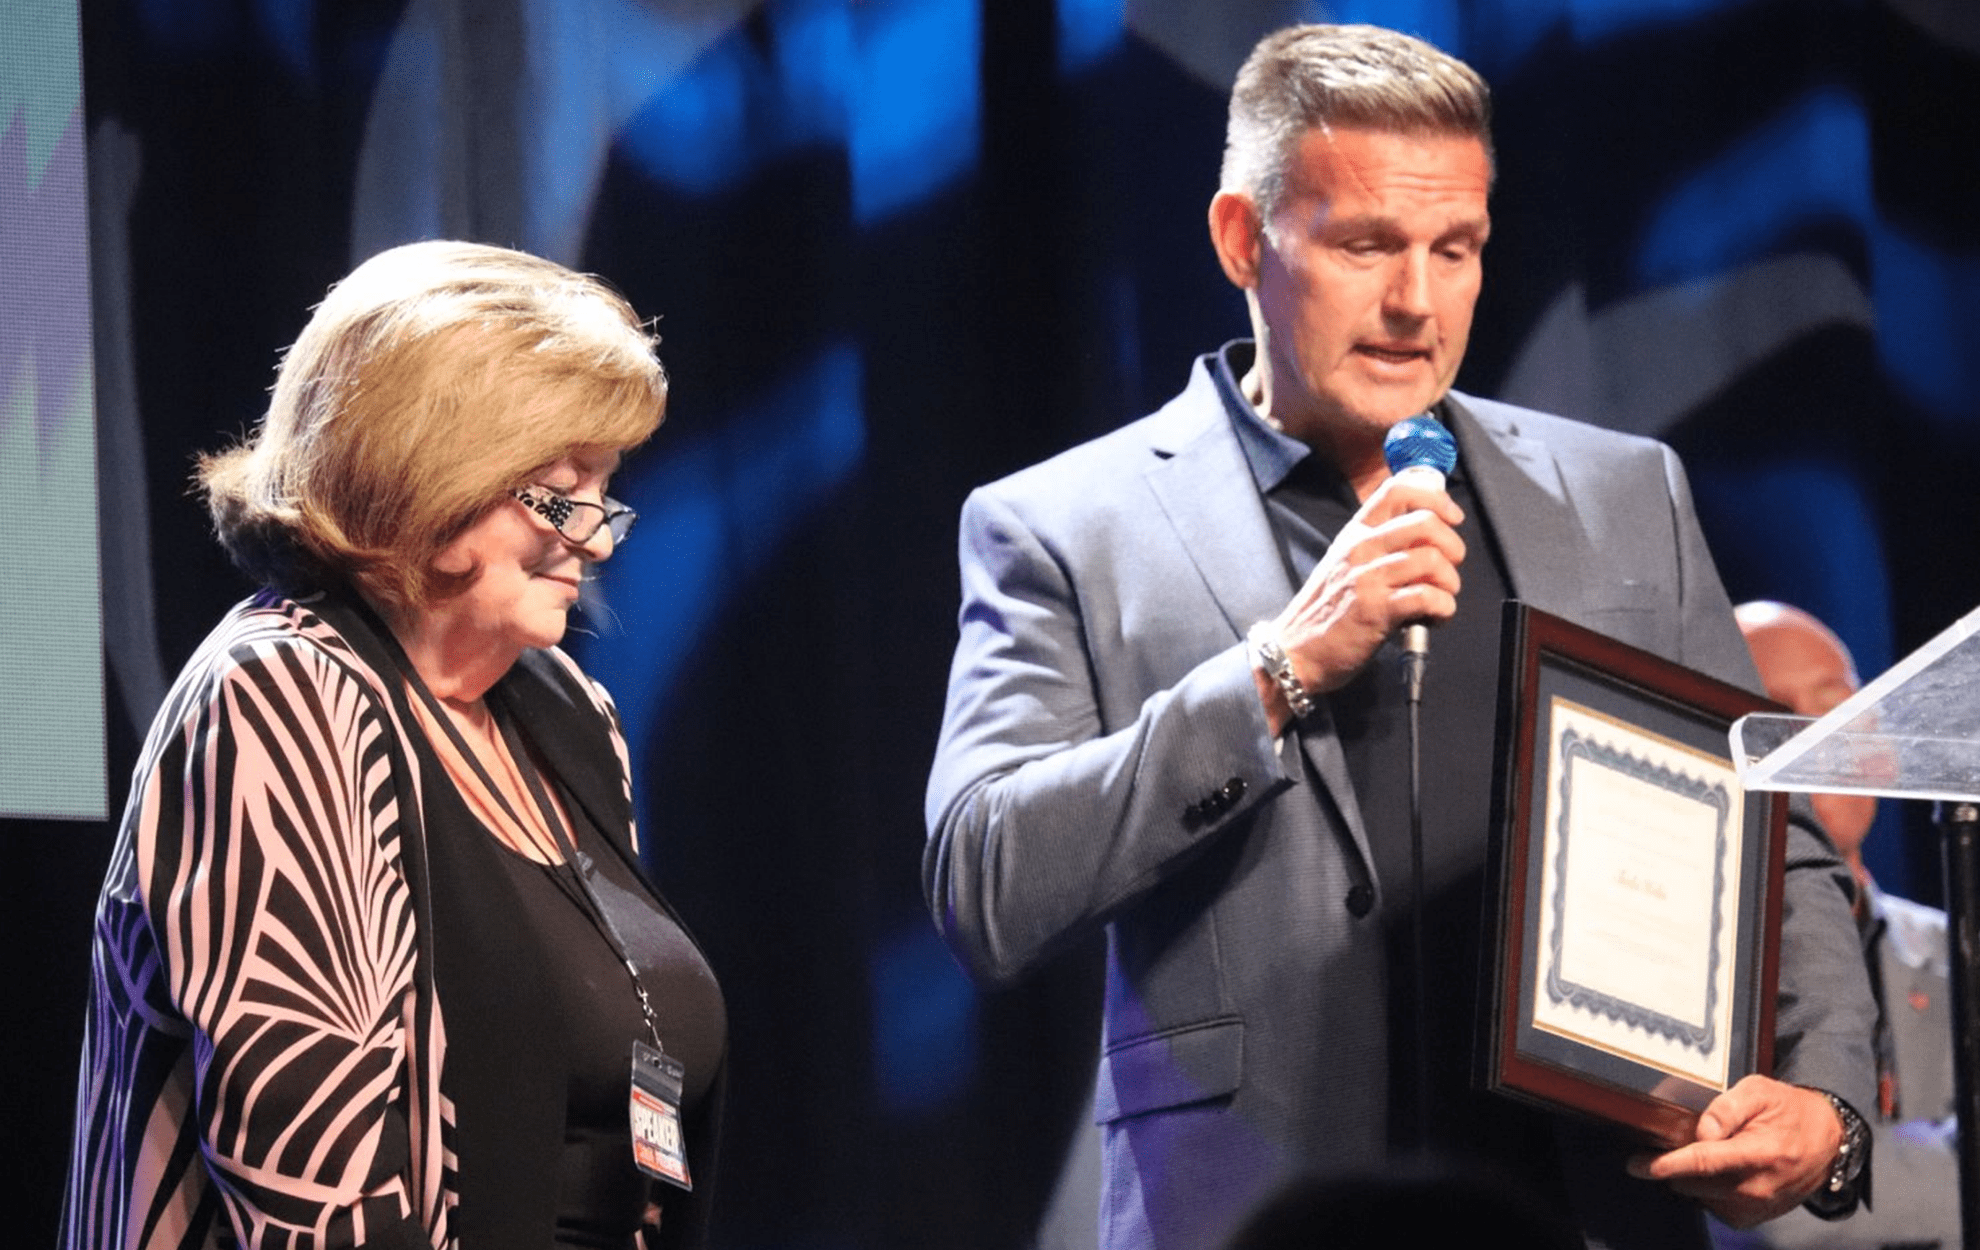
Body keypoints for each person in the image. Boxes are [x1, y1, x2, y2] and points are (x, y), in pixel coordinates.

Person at [924, 24, 1876, 1250]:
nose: (1416, 302)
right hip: (1248, 1206)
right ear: (1240, 238)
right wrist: (1278, 670)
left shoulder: (1627, 493)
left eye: (1456, 247)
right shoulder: (1063, 524)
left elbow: (1776, 841)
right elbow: (983, 879)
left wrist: (1828, 1099)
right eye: (1366, 243)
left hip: (1584, 1202)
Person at [63, 241, 725, 1250]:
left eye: (607, 490)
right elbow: (312, 1199)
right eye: (562, 492)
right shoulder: (278, 699)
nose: (595, 539)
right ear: (431, 473)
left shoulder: (566, 714)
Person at [1717, 601, 1960, 1249]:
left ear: (1882, 750)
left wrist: (1823, 1165)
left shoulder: (1958, 953)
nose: (1816, 737)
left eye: (1835, 705)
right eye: (1775, 712)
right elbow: (1752, 1217)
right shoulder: (1698, 969)